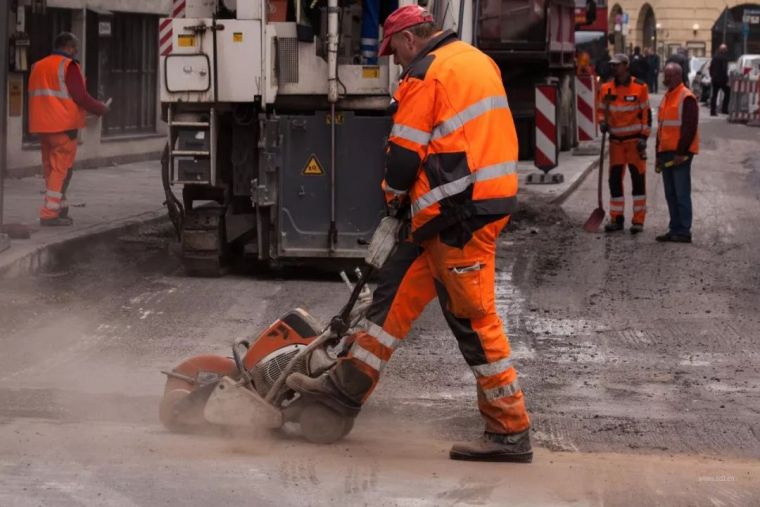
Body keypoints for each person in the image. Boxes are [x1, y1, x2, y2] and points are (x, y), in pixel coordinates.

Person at [286, 5, 532, 463]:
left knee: (473, 322)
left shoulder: (425, 74)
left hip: (459, 215)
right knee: (390, 301)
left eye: (393, 49)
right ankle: (342, 392)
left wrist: (392, 203)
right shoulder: (477, 60)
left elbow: (403, 157)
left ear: (410, 39)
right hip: (454, 210)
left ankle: (510, 430)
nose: (394, 59)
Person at [28, 32, 109, 226]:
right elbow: (81, 96)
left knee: (50, 169)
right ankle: (49, 214)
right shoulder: (68, 66)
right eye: (74, 47)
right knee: (61, 170)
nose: (76, 52)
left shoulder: (38, 66)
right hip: (64, 126)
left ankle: (60, 208)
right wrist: (101, 108)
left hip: (42, 126)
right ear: (67, 46)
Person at [597, 54, 652, 234]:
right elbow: (601, 110)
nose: (614, 68)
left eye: (617, 65)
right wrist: (601, 122)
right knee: (614, 181)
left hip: (635, 143)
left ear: (626, 66)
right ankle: (616, 219)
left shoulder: (640, 87)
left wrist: (644, 137)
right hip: (616, 144)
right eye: (612, 65)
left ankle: (638, 221)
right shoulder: (606, 88)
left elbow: (646, 114)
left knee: (638, 182)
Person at [655, 63, 699, 243]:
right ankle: (674, 228)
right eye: (665, 75)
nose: (666, 79)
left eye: (670, 75)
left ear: (679, 76)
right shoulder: (667, 97)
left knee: (681, 193)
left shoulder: (686, 97)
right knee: (671, 194)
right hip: (666, 152)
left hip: (680, 153)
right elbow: (661, 128)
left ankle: (684, 231)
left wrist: (681, 152)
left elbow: (689, 128)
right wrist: (658, 154)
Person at [709, 43, 730, 116]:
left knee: (714, 95)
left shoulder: (715, 57)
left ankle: (712, 111)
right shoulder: (724, 58)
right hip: (722, 79)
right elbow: (724, 69)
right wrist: (727, 79)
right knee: (728, 92)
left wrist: (712, 76)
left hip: (715, 79)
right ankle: (724, 109)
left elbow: (711, 68)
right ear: (724, 50)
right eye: (726, 49)